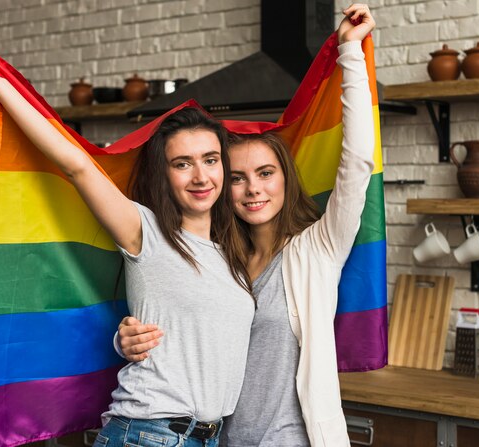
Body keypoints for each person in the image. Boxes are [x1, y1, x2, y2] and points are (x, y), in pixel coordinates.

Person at [0, 20, 256, 447]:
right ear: (164, 175)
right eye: (182, 163)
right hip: (148, 435)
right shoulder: (145, 231)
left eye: (210, 159)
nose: (200, 175)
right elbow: (74, 164)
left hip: (209, 437)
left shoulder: (233, 252)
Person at [116, 3, 376, 446]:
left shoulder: (318, 250)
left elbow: (357, 164)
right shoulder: (216, 255)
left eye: (265, 173)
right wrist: (127, 340)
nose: (252, 189)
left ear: (285, 178)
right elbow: (180, 331)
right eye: (237, 177)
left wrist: (350, 53)